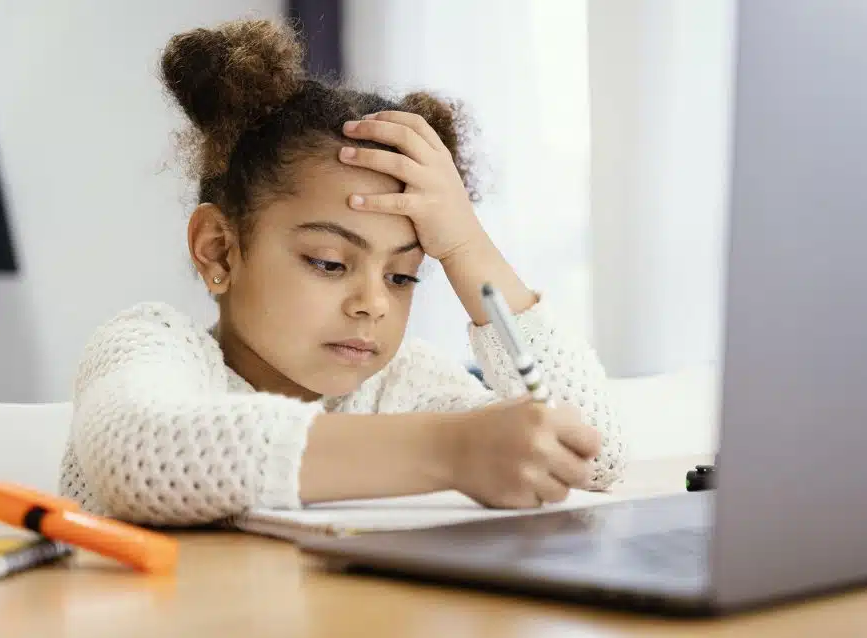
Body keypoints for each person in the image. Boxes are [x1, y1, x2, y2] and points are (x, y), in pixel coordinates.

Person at [58, 18, 627, 527]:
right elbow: (142, 458)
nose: (373, 304)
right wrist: (453, 451)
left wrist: (466, 244)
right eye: (329, 263)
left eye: (402, 276)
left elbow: (591, 455)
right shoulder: (150, 347)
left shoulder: (402, 383)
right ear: (219, 251)